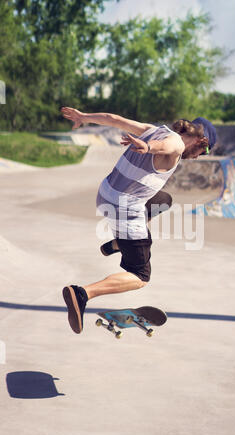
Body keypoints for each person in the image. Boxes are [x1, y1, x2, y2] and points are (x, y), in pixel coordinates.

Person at [60, 107, 217, 334]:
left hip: (105, 194)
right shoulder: (177, 145)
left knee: (163, 200)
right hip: (123, 208)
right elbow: (171, 147)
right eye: (202, 153)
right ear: (201, 141)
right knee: (140, 275)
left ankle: (117, 244)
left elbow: (114, 119)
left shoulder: (153, 130)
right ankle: (82, 293)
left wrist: (84, 118)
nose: (197, 157)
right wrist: (149, 148)